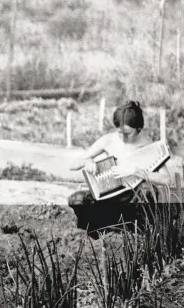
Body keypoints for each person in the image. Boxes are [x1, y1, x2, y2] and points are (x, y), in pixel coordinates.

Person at [67, 100, 173, 235]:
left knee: (148, 193)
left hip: (132, 202)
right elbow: (72, 165)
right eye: (119, 132)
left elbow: (166, 180)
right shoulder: (108, 140)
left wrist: (136, 171)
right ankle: (92, 239)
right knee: (78, 200)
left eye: (128, 133)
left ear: (139, 129)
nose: (122, 138)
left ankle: (139, 238)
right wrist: (86, 162)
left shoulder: (148, 146)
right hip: (107, 198)